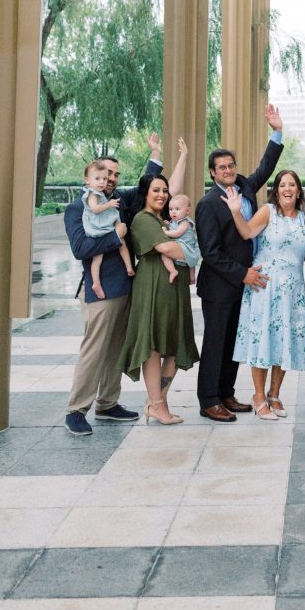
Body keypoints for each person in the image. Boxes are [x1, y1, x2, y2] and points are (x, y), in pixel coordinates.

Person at [63, 133, 184, 436]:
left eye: (115, 175)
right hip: (100, 290)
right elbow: (80, 248)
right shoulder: (78, 209)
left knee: (116, 349)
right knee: (94, 350)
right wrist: (115, 236)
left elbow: (149, 185)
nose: (111, 179)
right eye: (104, 175)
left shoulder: (118, 203)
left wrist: (156, 154)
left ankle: (107, 403)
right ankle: (76, 410)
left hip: (128, 288)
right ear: (91, 177)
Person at [195, 104, 284, 422]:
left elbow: (265, 168)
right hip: (220, 285)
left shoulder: (245, 186)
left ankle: (226, 393)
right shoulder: (207, 205)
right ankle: (208, 400)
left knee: (235, 341)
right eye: (222, 167)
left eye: (231, 165)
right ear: (213, 172)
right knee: (216, 342)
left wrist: (276, 132)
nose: (228, 170)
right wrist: (242, 273)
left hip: (244, 284)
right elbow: (211, 252)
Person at [222, 169, 305, 420]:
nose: (287, 189)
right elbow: (247, 233)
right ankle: (258, 396)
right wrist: (235, 210)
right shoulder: (268, 211)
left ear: (298, 191)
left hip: (293, 290)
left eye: (292, 185)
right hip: (265, 287)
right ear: (276, 190)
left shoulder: (304, 219)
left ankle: (274, 394)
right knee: (263, 339)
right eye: (283, 185)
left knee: (284, 341)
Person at [118, 169, 199, 424]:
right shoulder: (143, 219)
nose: (162, 194)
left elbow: (176, 247)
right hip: (152, 284)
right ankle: (156, 403)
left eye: (165, 190)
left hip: (174, 288)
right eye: (156, 190)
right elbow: (166, 248)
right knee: (152, 344)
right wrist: (192, 254)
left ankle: (158, 401)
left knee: (175, 344)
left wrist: (184, 159)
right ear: (145, 193)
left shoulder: (168, 220)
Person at [81, 160, 135, 299]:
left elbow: (142, 188)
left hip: (108, 222)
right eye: (99, 178)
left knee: (122, 242)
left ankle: (129, 267)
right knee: (97, 259)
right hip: (99, 228)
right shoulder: (91, 196)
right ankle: (96, 283)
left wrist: (154, 154)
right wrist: (110, 205)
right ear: (88, 180)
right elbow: (95, 209)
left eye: (105, 178)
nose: (104, 181)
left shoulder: (116, 196)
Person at [162, 194, 201, 285]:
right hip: (183, 245)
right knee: (190, 263)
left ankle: (173, 271)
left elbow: (177, 233)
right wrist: (169, 224)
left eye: (177, 209)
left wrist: (166, 232)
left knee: (164, 255)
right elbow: (174, 227)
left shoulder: (185, 222)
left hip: (186, 246)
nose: (173, 212)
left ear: (187, 211)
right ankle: (191, 277)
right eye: (171, 209)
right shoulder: (174, 221)